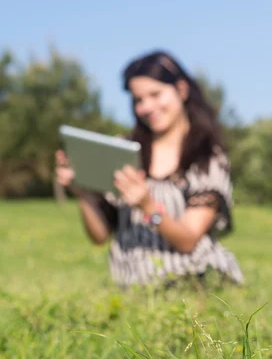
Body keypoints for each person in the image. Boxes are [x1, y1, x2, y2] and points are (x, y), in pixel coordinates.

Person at [55, 51, 243, 287]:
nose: (146, 107)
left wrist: (148, 206)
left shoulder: (206, 158)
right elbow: (100, 236)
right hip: (131, 286)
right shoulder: (122, 150)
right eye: (138, 100)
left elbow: (188, 241)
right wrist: (82, 193)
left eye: (155, 94)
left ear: (181, 90)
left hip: (193, 280)